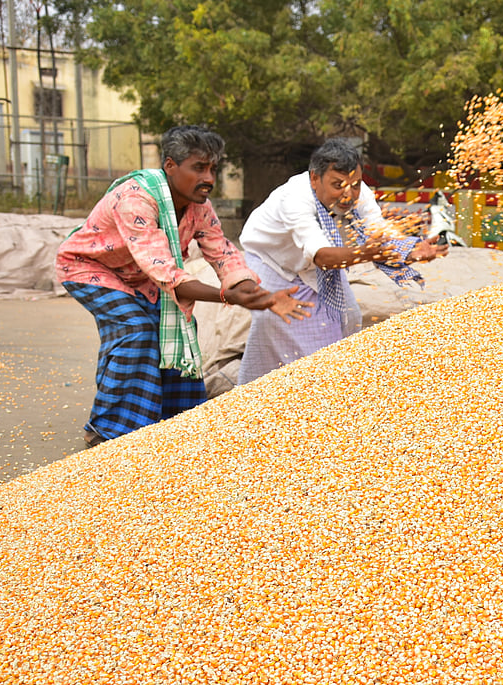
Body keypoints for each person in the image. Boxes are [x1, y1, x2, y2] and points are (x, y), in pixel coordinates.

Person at [58, 125, 310, 447]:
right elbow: (165, 273)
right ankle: (107, 431)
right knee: (135, 330)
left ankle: (172, 424)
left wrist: (258, 294)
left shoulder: (199, 206)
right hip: (90, 268)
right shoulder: (136, 199)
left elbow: (223, 254)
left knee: (177, 329)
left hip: (141, 276)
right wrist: (227, 296)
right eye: (199, 168)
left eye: (213, 169)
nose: (208, 178)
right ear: (170, 166)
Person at [236, 139, 448, 384]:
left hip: (313, 265)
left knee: (348, 316)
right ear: (315, 179)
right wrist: (369, 253)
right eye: (337, 185)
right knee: (271, 322)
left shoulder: (361, 193)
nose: (348, 195)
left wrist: (409, 249)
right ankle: (260, 388)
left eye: (354, 185)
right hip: (271, 261)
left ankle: (328, 382)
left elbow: (379, 233)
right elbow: (322, 256)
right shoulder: (294, 198)